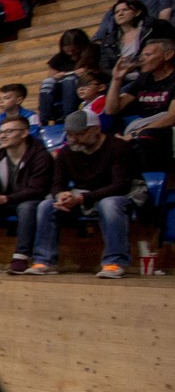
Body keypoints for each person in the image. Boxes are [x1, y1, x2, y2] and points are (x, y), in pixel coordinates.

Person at [16, 110, 134, 278]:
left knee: (109, 204)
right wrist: (61, 195)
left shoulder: (118, 147)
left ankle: (114, 262)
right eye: (70, 134)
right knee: (46, 205)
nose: (74, 139)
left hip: (116, 194)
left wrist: (81, 198)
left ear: (96, 129)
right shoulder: (66, 151)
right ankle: (44, 261)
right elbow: (57, 184)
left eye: (80, 134)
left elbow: (120, 185)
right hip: (83, 195)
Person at [0, 115, 54, 272]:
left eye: (9, 131)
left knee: (26, 207)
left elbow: (37, 190)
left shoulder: (41, 156)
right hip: (4, 201)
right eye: (0, 133)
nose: (3, 136)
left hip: (32, 200)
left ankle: (21, 257)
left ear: (25, 133)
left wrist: (4, 198)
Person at [104, 38, 175, 176]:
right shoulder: (144, 79)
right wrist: (117, 79)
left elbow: (172, 118)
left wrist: (134, 134)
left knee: (146, 136)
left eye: (148, 55)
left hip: (166, 129)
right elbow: (111, 109)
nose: (142, 59)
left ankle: (154, 182)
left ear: (168, 55)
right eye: (141, 55)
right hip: (145, 127)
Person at [39, 29, 96, 124]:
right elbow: (50, 77)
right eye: (68, 51)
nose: (71, 54)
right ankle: (44, 117)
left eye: (74, 50)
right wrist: (56, 77)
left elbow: (100, 70)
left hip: (82, 83)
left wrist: (87, 72)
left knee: (69, 80)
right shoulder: (59, 58)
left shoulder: (93, 51)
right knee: (47, 82)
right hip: (61, 89)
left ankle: (68, 115)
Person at [0, 83, 41, 148]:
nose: (1, 101)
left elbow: (33, 138)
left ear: (19, 100)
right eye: (0, 99)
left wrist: (3, 148)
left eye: (6, 98)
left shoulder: (31, 117)